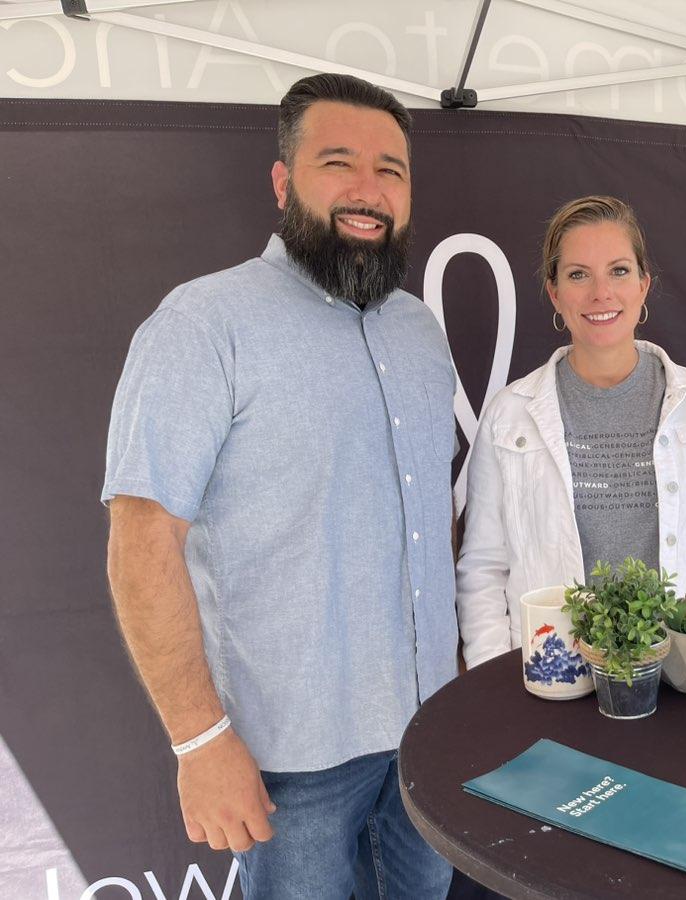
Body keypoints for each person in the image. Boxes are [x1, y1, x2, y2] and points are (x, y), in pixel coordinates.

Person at [103, 74, 456, 898]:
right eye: (339, 162)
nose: (369, 190)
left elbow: (424, 521)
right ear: (282, 179)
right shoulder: (203, 326)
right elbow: (140, 542)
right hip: (287, 765)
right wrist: (199, 740)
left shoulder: (420, 331)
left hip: (428, 739)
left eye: (392, 171)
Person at [456, 196, 686, 668]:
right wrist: (494, 682)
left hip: (677, 675)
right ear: (555, 293)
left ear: (643, 285)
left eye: (618, 271)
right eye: (578, 274)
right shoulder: (509, 415)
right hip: (552, 676)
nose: (601, 293)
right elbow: (483, 569)